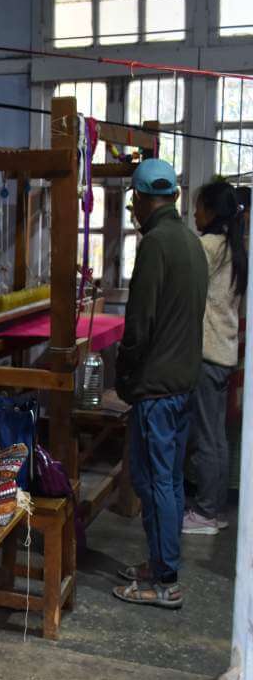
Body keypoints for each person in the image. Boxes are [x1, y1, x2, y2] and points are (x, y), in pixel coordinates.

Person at [113, 159, 208, 609]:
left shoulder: (155, 245)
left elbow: (140, 325)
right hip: (182, 383)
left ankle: (165, 579)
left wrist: (125, 373)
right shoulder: (191, 242)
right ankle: (160, 563)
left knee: (156, 483)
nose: (133, 209)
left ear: (144, 199)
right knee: (166, 480)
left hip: (156, 389)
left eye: (134, 201)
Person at [183, 181, 247, 535]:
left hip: (206, 354)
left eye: (199, 206)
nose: (195, 213)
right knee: (217, 437)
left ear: (212, 211)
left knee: (206, 438)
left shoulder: (207, 246)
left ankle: (205, 512)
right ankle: (215, 508)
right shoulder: (237, 249)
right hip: (225, 352)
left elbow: (185, 290)